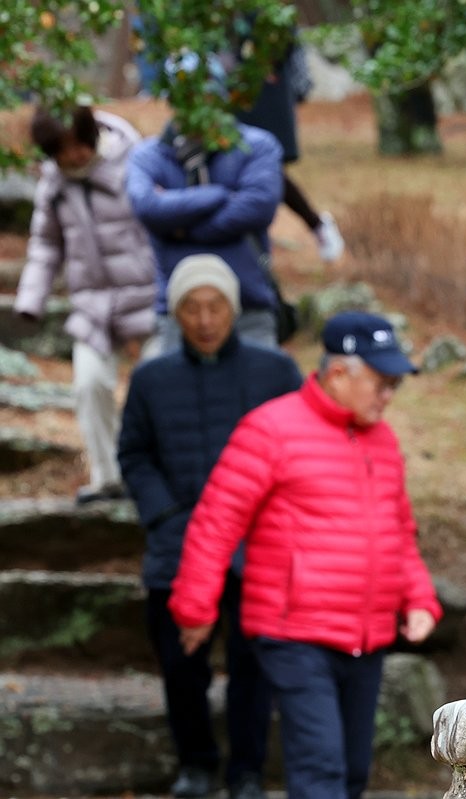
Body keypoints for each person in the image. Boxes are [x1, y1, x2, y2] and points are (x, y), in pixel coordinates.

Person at [169, 311, 441, 799]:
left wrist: (418, 597)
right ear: (339, 373)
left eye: (394, 385)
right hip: (293, 632)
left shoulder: (382, 439)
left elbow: (398, 528)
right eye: (382, 383)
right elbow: (216, 521)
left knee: (355, 770)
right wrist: (195, 606)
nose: (388, 396)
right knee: (321, 770)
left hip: (367, 634)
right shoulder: (270, 429)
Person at [118, 255, 303, 799]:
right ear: (175, 314)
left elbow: (300, 450)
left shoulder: (275, 371)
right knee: (181, 666)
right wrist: (167, 515)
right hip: (176, 547)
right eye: (191, 308)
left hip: (259, 549)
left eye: (215, 305)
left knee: (254, 668)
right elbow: (134, 454)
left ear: (234, 307)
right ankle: (195, 766)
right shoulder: (152, 378)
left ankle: (247, 772)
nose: (204, 319)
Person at [15, 105, 157, 504]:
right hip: (93, 306)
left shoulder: (135, 164)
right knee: (89, 384)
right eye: (63, 149)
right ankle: (108, 477)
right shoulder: (53, 186)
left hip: (146, 297)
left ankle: (157, 473)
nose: (74, 156)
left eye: (79, 145)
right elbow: (46, 245)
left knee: (155, 386)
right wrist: (31, 300)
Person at [124, 85, 285, 356]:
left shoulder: (258, 146)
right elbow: (148, 207)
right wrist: (219, 195)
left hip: (249, 306)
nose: (198, 107)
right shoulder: (147, 156)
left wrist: (179, 227)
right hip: (176, 314)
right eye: (186, 98)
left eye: (207, 97)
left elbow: (257, 207)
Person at [233, 25, 344, 263]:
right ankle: (263, 242)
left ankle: (314, 225)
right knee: (244, 170)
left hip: (268, 94)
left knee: (268, 171)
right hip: (237, 93)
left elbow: (287, 34)